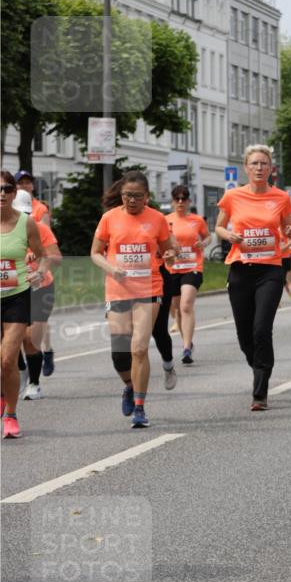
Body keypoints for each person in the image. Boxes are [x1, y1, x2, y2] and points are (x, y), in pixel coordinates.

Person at [215, 145, 291, 411]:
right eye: (254, 164)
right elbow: (218, 226)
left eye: (264, 164)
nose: (260, 168)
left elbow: (289, 229)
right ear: (246, 168)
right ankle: (259, 366)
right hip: (240, 269)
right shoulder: (232, 196)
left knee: (262, 328)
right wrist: (229, 236)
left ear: (271, 168)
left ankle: (260, 391)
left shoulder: (281, 197)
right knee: (244, 334)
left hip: (269, 270)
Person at [91, 171, 176, 428]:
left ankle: (140, 406)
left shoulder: (157, 219)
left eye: (137, 196)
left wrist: (171, 254)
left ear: (147, 197)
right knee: (120, 353)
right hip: (117, 290)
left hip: (149, 288)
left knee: (139, 348)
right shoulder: (109, 218)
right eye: (127, 195)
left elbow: (169, 248)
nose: (132, 201)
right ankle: (129, 385)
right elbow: (95, 253)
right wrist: (110, 268)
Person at [1, 170, 48, 439]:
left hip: (16, 296)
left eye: (8, 189)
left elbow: (41, 256)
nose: (2, 194)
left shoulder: (26, 223)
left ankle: (10, 414)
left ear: (14, 193)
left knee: (8, 359)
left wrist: (39, 272)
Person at [13, 190, 62, 399]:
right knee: (10, 341)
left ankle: (34, 383)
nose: (23, 219)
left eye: (27, 214)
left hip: (40, 288)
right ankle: (21, 367)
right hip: (11, 289)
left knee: (30, 339)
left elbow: (57, 258)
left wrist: (42, 260)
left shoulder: (39, 228)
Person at [164, 185, 210, 364]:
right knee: (176, 309)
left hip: (192, 266)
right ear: (173, 201)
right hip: (172, 268)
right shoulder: (165, 220)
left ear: (189, 201)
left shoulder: (197, 220)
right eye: (177, 199)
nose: (180, 202)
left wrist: (203, 244)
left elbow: (207, 237)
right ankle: (188, 343)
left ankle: (185, 348)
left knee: (186, 305)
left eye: (184, 198)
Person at [15, 169, 55, 374]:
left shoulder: (40, 210)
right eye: (20, 182)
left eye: (27, 182)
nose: (24, 185)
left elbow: (46, 244)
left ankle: (44, 354)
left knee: (35, 330)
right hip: (13, 284)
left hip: (40, 281)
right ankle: (22, 365)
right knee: (17, 334)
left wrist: (37, 259)